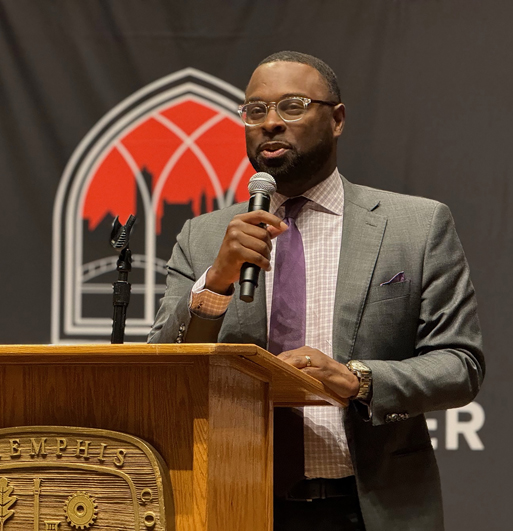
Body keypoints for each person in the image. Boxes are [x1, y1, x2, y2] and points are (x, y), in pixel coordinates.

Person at [149, 51, 485, 531]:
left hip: (369, 508)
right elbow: (163, 366)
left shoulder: (416, 226)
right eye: (255, 110)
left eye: (291, 106)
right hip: (236, 504)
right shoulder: (204, 237)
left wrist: (360, 381)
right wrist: (216, 280)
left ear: (337, 119)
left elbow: (460, 364)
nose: (270, 124)